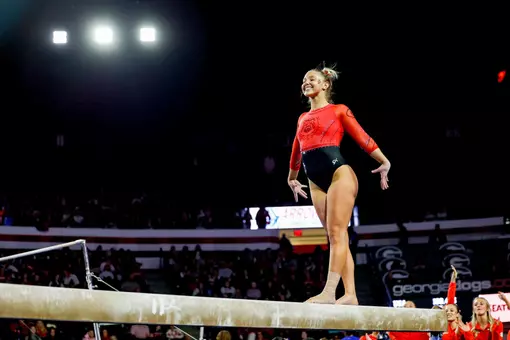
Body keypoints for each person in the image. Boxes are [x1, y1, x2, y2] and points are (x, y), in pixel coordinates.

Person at [288, 65, 391, 305]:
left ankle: (329, 292)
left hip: (339, 175)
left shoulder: (338, 110)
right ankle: (350, 294)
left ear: (325, 84)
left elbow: (363, 138)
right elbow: (296, 150)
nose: (306, 82)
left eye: (311, 79)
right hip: (314, 180)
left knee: (336, 233)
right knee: (335, 236)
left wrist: (384, 161)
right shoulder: (302, 118)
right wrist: (292, 177)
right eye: (303, 80)